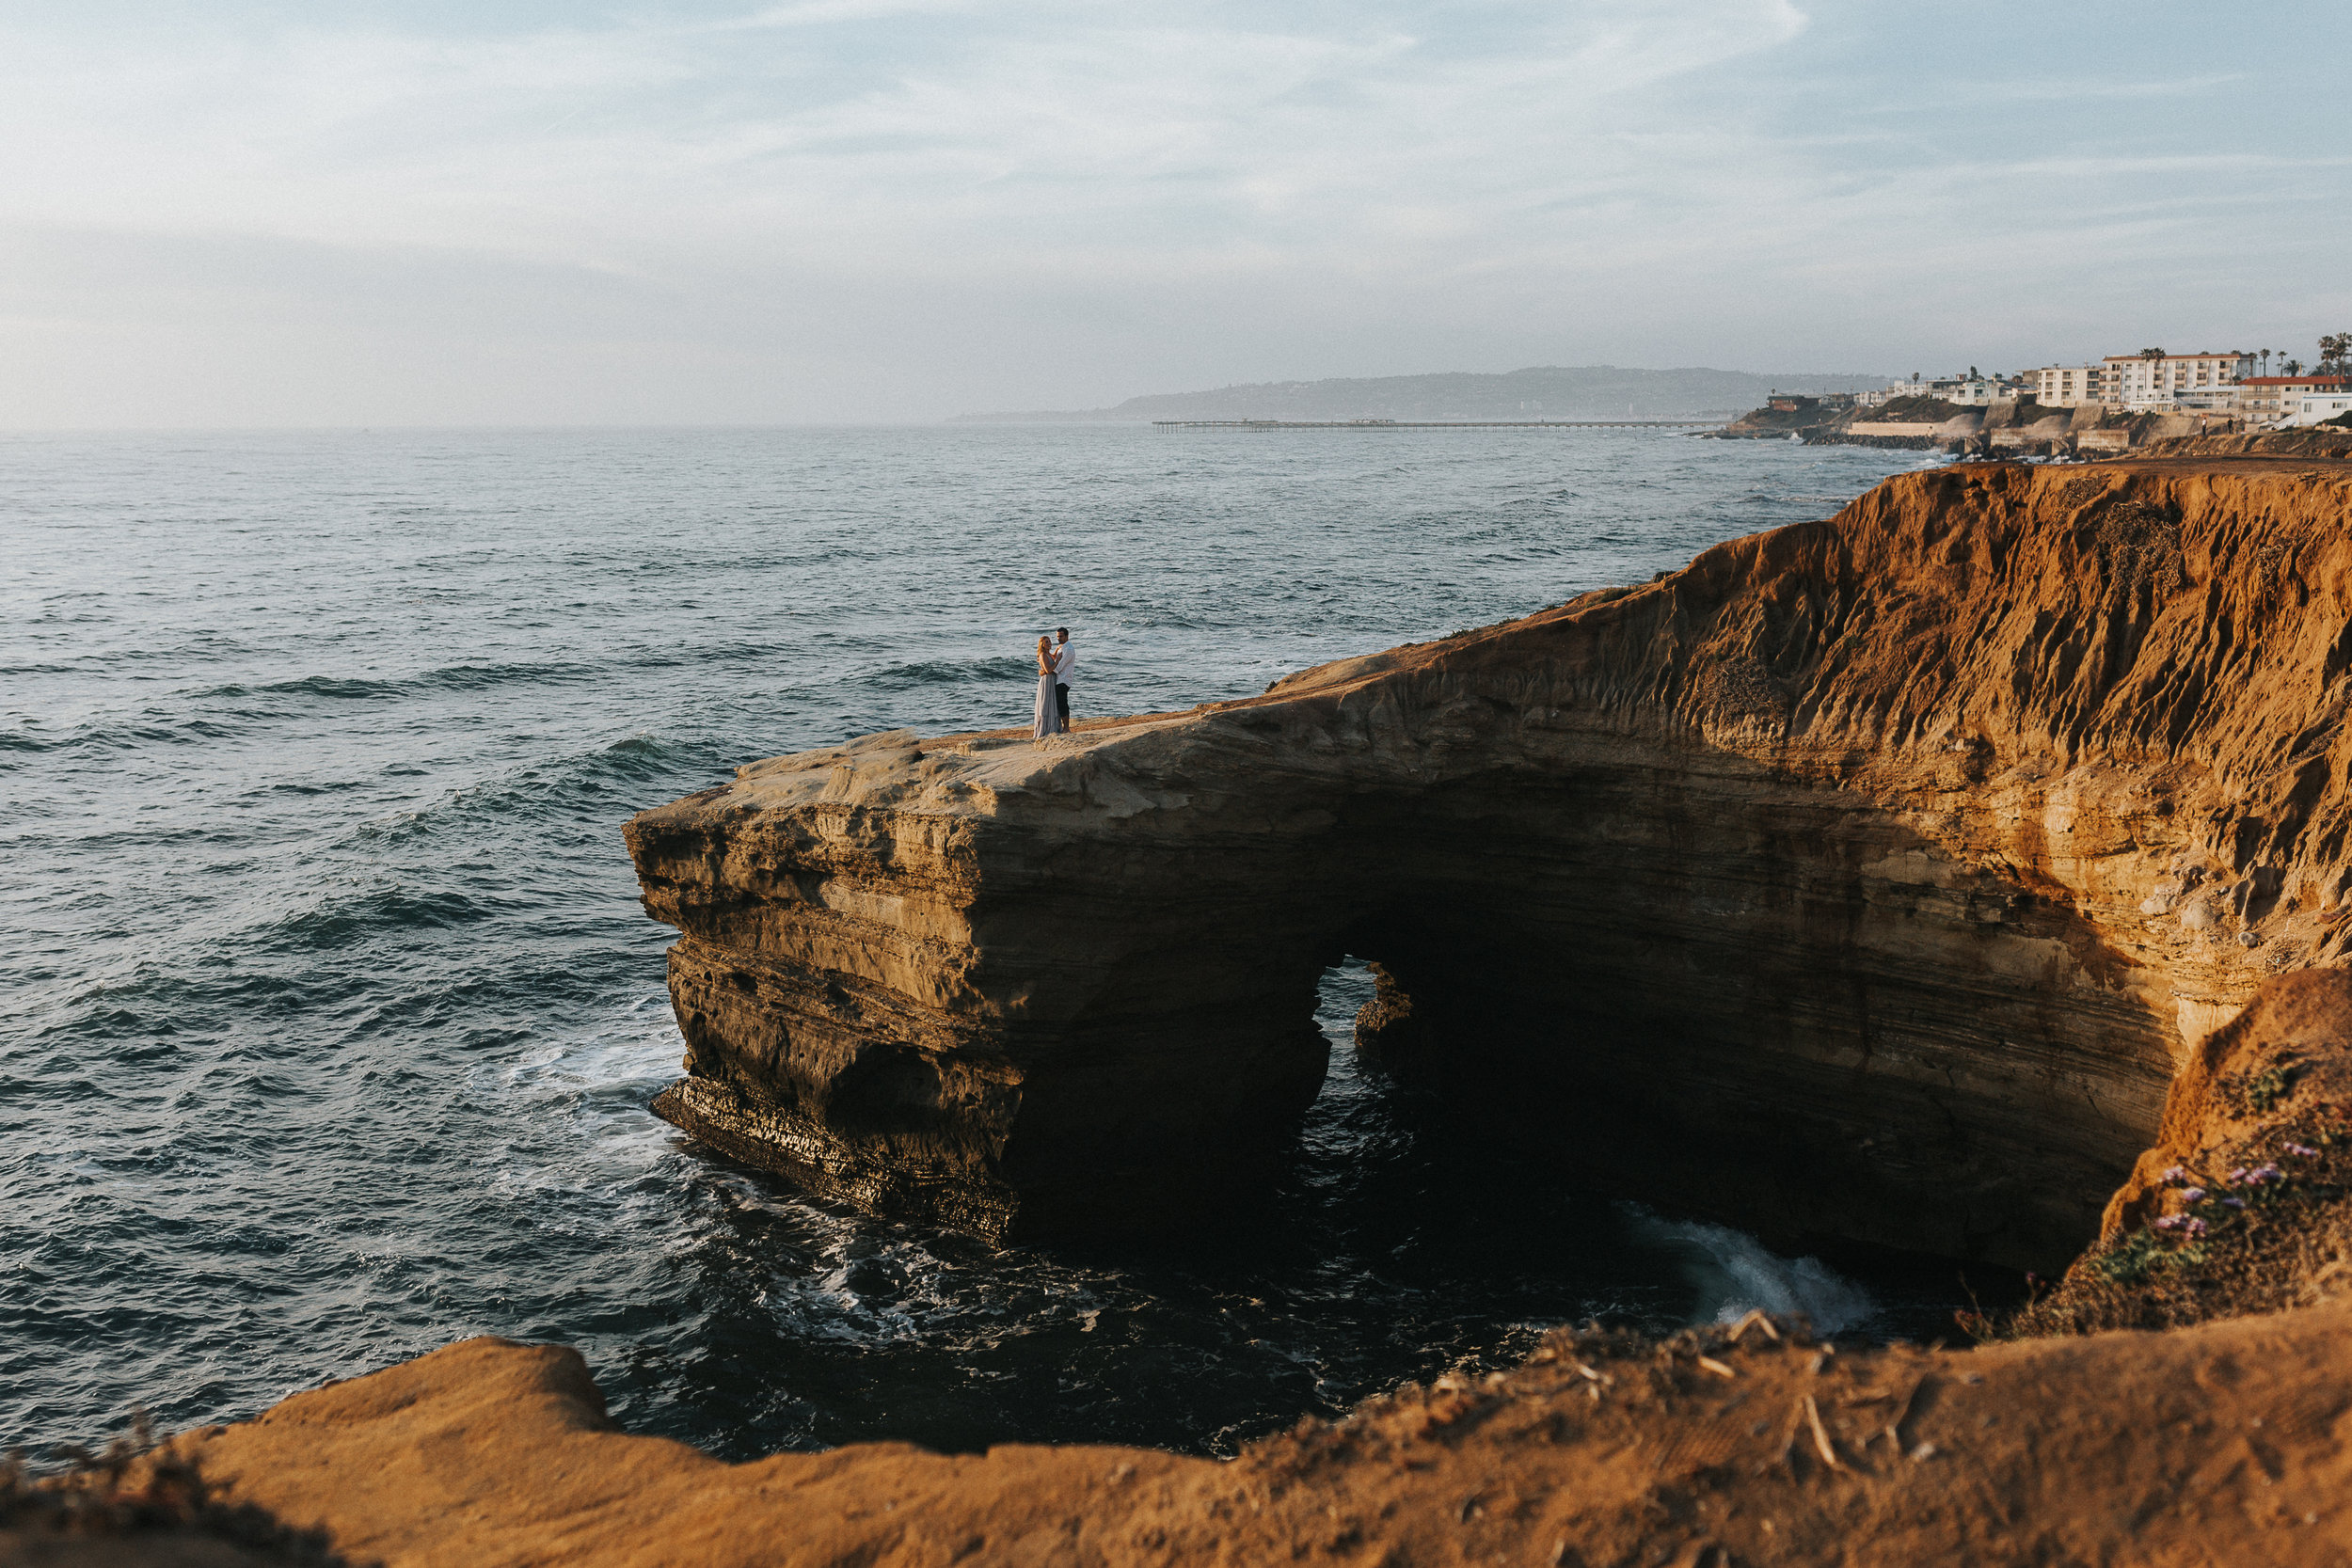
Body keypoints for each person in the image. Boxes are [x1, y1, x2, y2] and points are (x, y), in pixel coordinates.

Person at [1030, 635, 1064, 739]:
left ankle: (1053, 726)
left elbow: (1052, 657)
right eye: (1047, 642)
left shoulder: (1048, 654)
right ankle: (1045, 728)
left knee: (1052, 703)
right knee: (1046, 703)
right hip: (1047, 681)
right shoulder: (1042, 655)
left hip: (1052, 680)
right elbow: (1048, 670)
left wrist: (1058, 649)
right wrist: (1057, 660)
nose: (1049, 643)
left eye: (1049, 641)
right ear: (1042, 645)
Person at [1052, 626, 1076, 729]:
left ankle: (1066, 728)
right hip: (1059, 679)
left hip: (1064, 679)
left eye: (1061, 636)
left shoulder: (1069, 649)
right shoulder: (1062, 647)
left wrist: (1048, 670)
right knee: (1060, 703)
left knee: (1062, 703)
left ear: (1067, 636)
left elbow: (1060, 667)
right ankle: (1063, 727)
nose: (1059, 638)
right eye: (1057, 636)